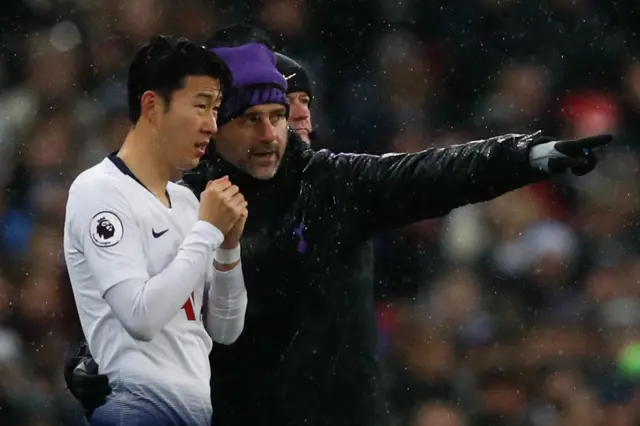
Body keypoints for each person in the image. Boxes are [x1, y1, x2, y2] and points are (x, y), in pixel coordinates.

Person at [65, 38, 612, 426]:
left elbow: (435, 174)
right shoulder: (184, 201)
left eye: (279, 115)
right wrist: (91, 363)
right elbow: (137, 305)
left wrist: (526, 156)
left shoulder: (334, 184)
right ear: (215, 126)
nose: (271, 133)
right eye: (248, 118)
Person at [63, 36, 249, 425]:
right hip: (135, 409)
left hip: (194, 411)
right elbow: (140, 317)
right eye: (200, 106)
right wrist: (208, 232)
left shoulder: (186, 204)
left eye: (215, 109)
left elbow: (225, 330)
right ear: (152, 105)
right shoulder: (99, 191)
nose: (211, 125)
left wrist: (228, 249)